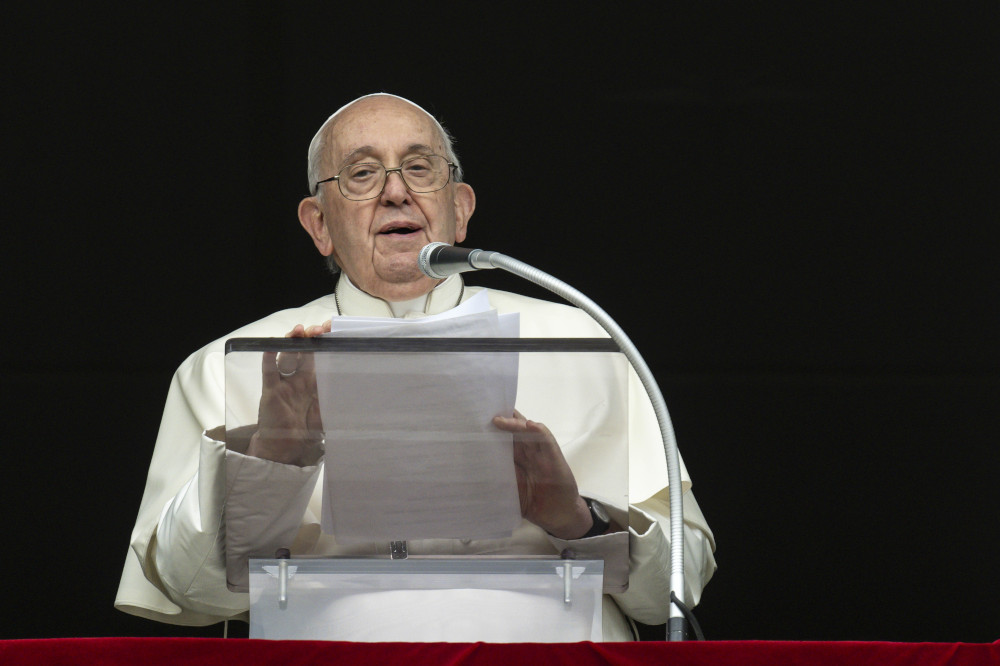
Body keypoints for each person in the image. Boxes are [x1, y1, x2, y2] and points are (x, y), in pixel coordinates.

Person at [115, 93, 716, 641]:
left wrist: (579, 522)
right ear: (319, 224)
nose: (396, 192)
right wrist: (272, 457)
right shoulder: (229, 364)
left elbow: (679, 584)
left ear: (459, 208)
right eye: (362, 173)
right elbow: (188, 594)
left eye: (419, 168)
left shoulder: (587, 342)